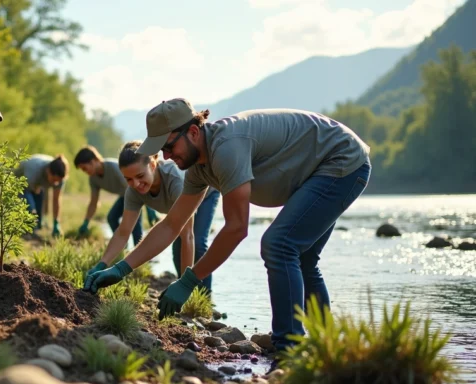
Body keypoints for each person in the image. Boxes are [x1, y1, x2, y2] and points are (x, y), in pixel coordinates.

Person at [84, 98, 371, 355]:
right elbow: (172, 224)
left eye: (169, 147)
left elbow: (236, 228)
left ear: (193, 132)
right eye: (162, 150)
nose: (167, 157)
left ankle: (289, 348)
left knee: (279, 245)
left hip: (341, 160)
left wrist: (189, 280)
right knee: (302, 257)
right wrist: (121, 268)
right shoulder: (197, 168)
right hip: (319, 168)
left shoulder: (226, 148)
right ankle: (325, 345)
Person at [85, 141, 220, 291]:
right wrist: (102, 264)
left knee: (197, 243)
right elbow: (123, 232)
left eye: (140, 176)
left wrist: (184, 286)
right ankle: (187, 289)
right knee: (177, 252)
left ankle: (203, 295)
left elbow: (188, 236)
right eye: (128, 179)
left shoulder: (175, 181)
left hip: (205, 194)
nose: (136, 184)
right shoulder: (133, 192)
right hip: (179, 205)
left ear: (153, 164)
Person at [74, 145, 158, 244]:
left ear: (93, 161)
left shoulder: (114, 168)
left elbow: (136, 187)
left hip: (137, 194)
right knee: (112, 218)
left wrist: (149, 208)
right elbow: (94, 202)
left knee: (135, 224)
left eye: (84, 168)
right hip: (124, 196)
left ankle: (140, 250)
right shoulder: (93, 179)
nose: (85, 172)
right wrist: (86, 222)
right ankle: (121, 245)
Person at [14, 154, 69, 237]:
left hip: (37, 183)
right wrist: (32, 211)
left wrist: (56, 222)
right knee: (30, 207)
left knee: (39, 214)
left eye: (57, 181)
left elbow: (56, 199)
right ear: (48, 171)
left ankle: (38, 226)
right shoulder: (34, 170)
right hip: (22, 180)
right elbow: (27, 191)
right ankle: (26, 231)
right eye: (54, 180)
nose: (55, 183)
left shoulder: (60, 178)